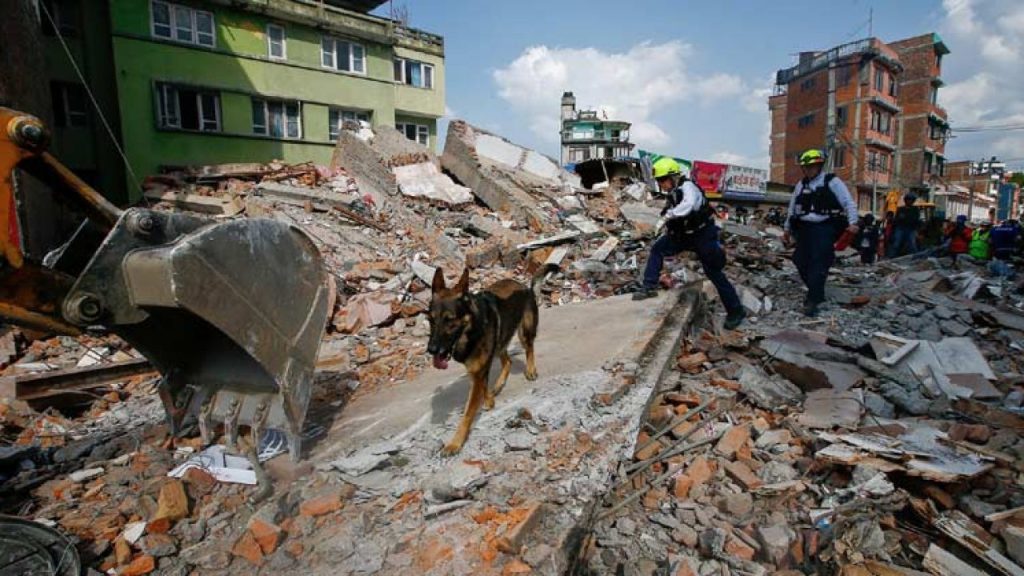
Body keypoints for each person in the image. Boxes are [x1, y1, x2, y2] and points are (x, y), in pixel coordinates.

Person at [634, 158, 746, 329]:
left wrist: (669, 215)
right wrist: (665, 221)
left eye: (663, 180)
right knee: (658, 249)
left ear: (673, 177)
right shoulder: (673, 193)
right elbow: (671, 213)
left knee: (714, 272)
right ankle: (649, 286)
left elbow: (688, 205)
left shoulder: (688, 187)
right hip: (683, 236)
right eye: (659, 181)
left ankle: (736, 311)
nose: (661, 184)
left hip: (703, 234)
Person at [783, 149, 859, 317]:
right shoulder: (801, 185)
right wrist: (787, 229)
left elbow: (848, 202)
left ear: (819, 166)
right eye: (806, 167)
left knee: (818, 264)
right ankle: (816, 291)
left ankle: (813, 300)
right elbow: (792, 207)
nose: (808, 170)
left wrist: (853, 222)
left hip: (825, 228)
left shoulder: (832, 182)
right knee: (799, 260)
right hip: (804, 229)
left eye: (812, 166)